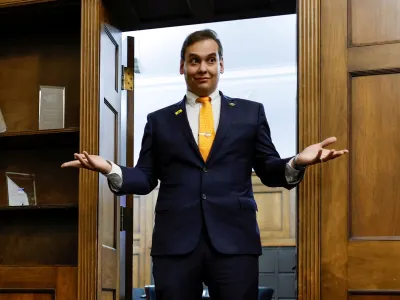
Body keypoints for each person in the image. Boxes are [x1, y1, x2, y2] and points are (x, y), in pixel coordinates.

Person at [61, 29, 348, 300]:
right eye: (194, 60)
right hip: (175, 245)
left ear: (221, 65)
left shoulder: (251, 114)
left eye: (211, 60)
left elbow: (269, 169)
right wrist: (110, 168)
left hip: (235, 241)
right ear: (182, 67)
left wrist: (297, 161)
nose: (202, 68)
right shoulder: (158, 121)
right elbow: (146, 177)